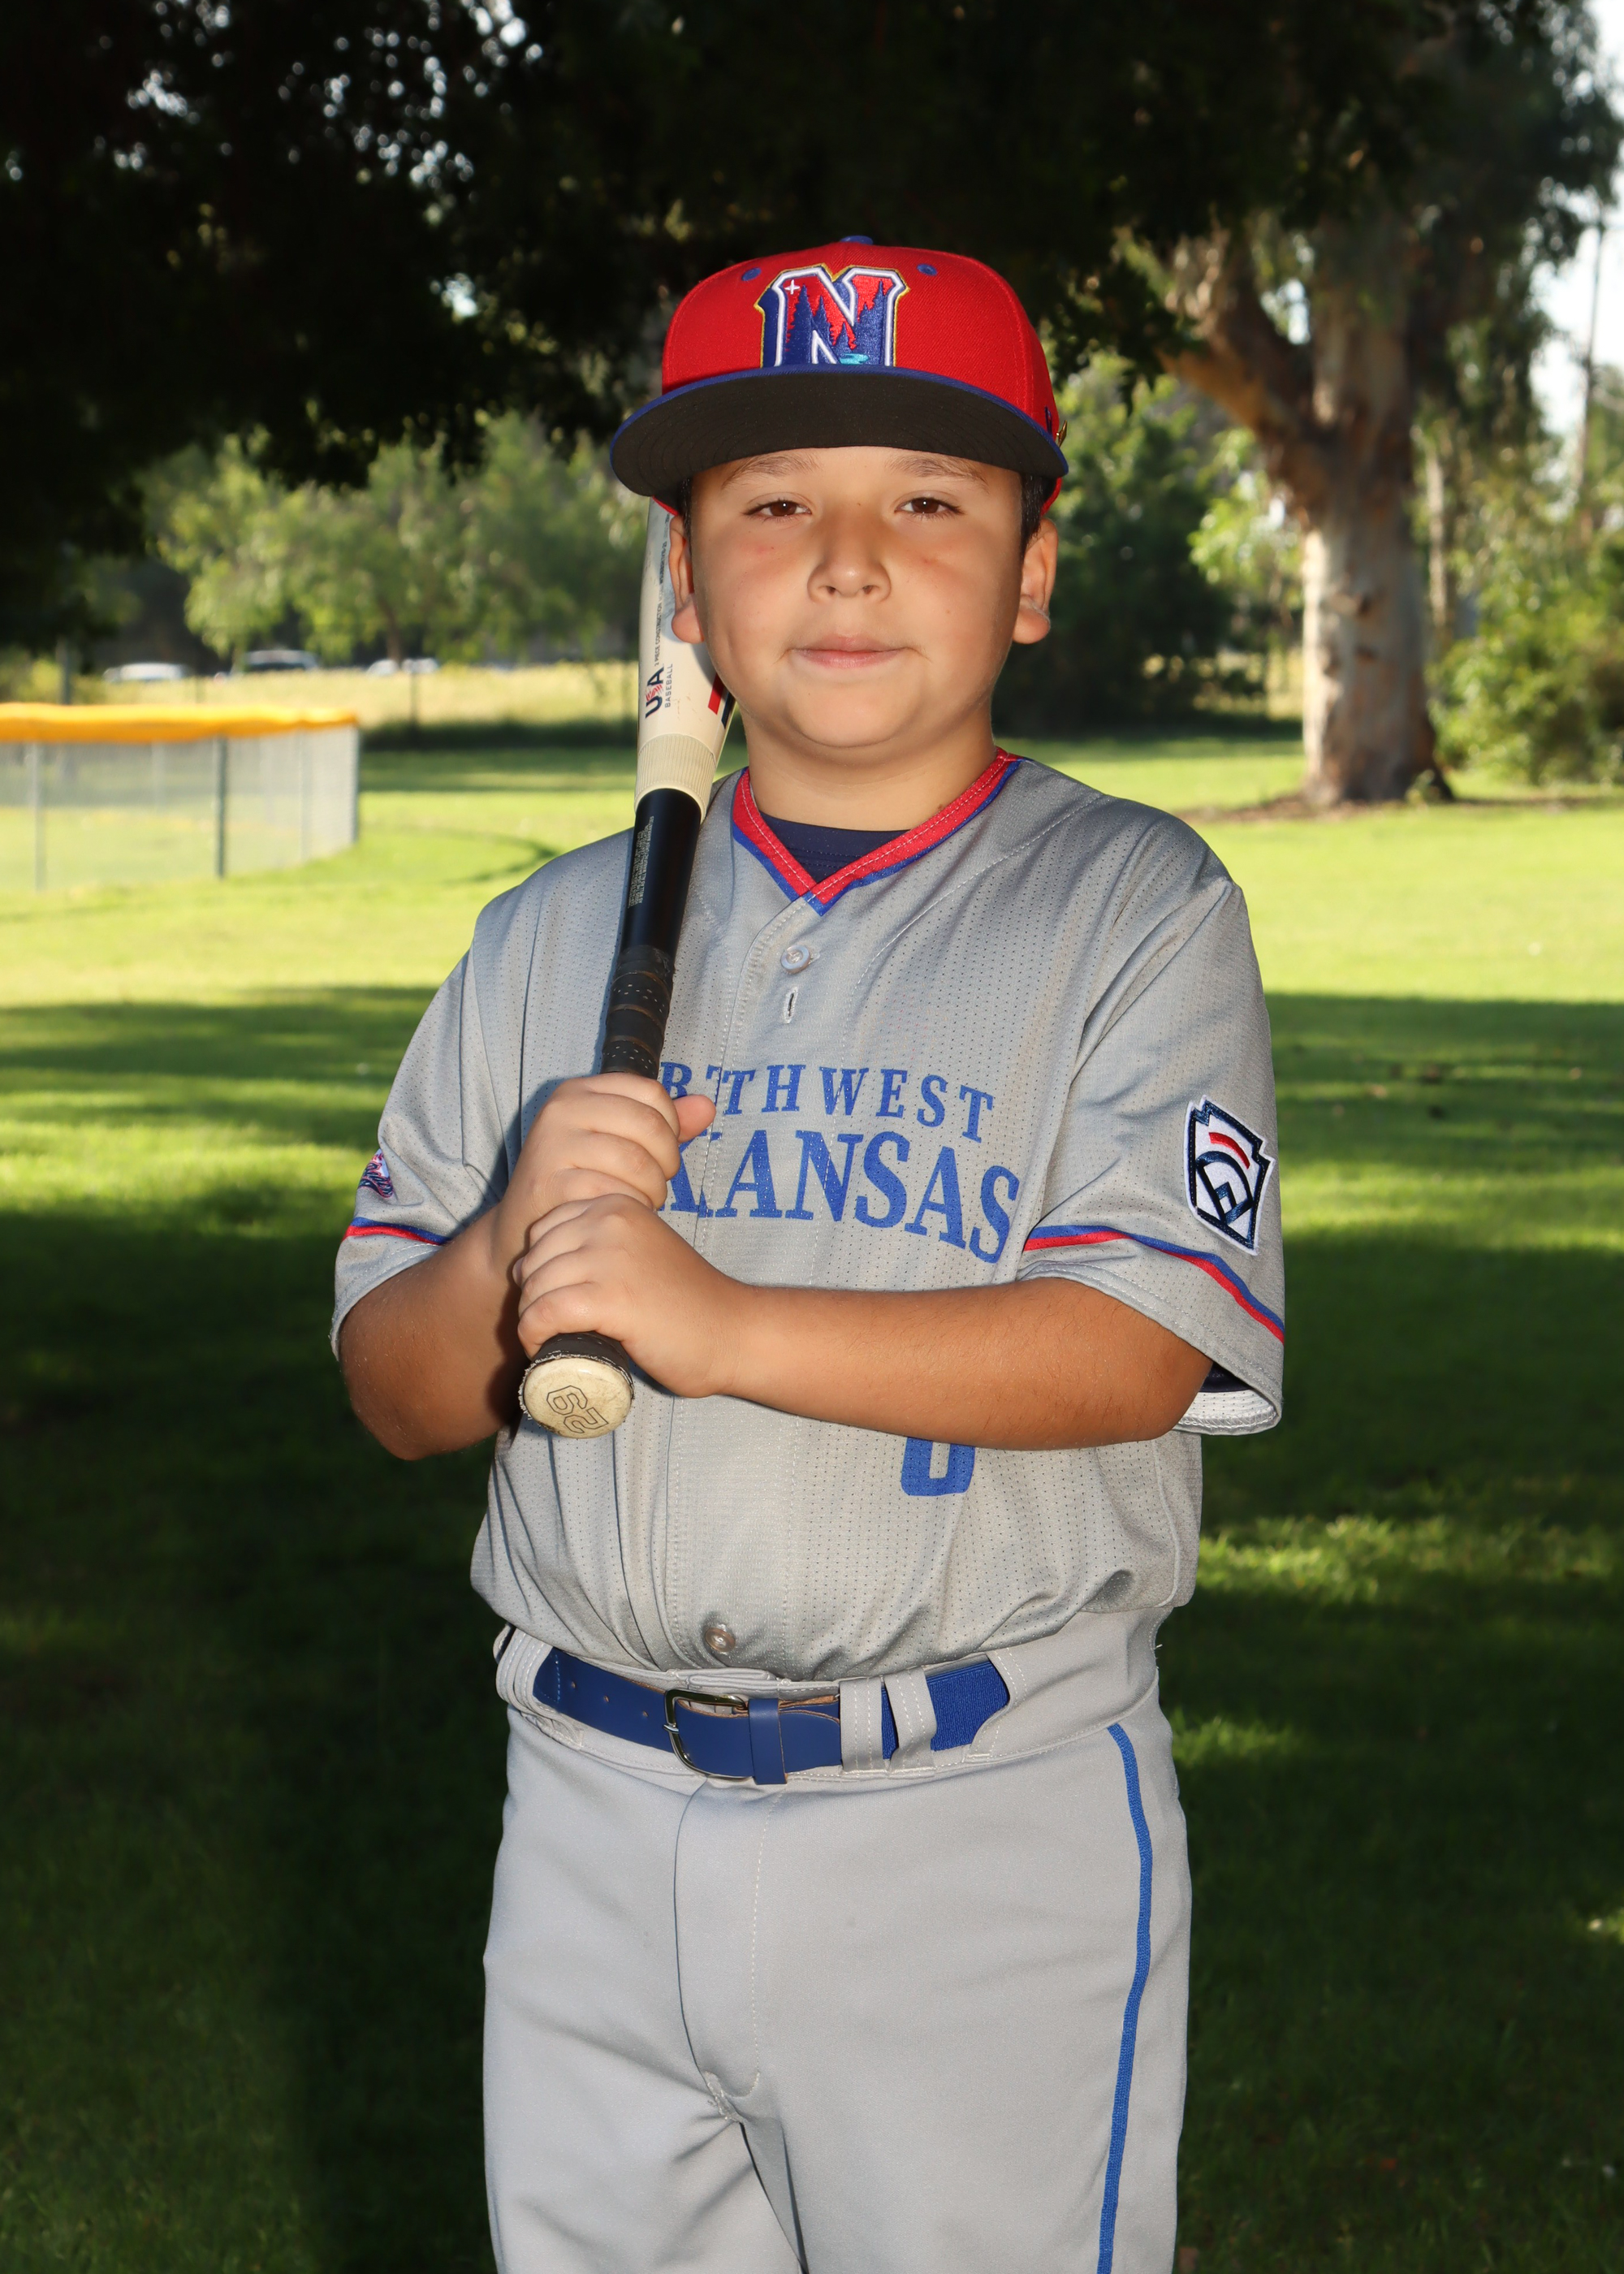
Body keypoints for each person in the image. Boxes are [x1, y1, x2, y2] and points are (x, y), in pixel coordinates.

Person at [335, 238, 1284, 2274]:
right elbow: (396, 1391)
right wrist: (507, 1239)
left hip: (973, 1816)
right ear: (688, 588)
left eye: (928, 500)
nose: (848, 563)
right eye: (771, 505)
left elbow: (1131, 1347)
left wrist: (714, 1319)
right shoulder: (541, 941)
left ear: (1031, 570)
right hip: (587, 1801)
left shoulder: (1134, 909)